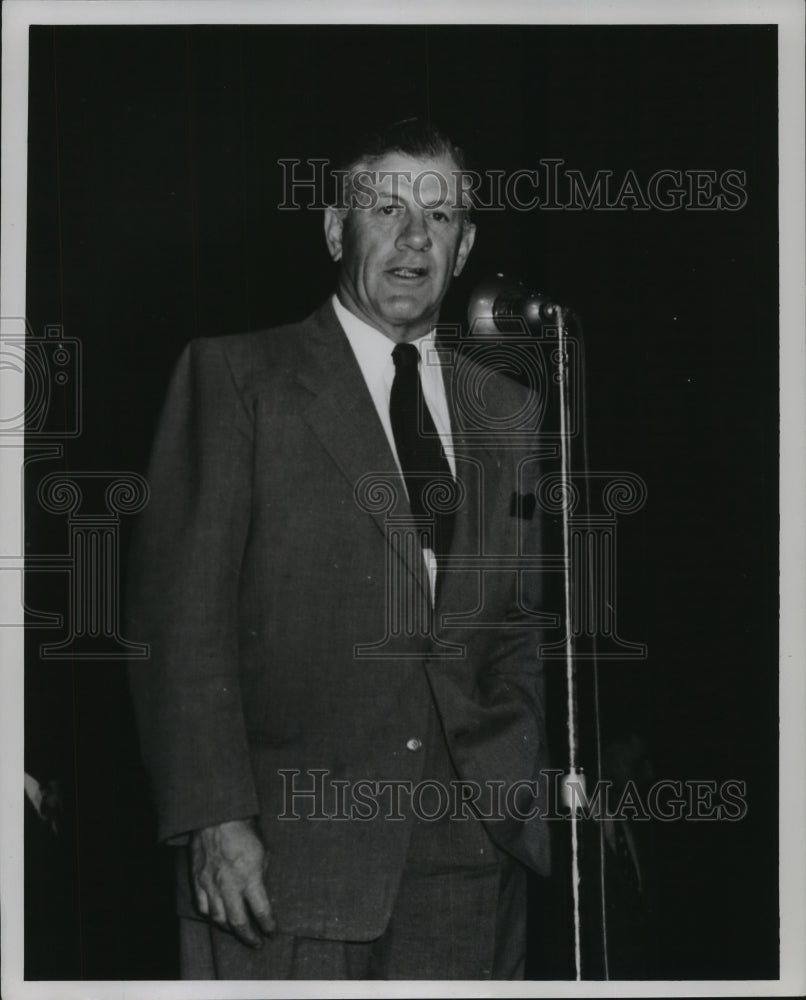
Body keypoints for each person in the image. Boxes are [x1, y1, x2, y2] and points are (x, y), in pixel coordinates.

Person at [126, 117, 551, 980]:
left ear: (464, 246)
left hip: (471, 860)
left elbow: (520, 623)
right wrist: (214, 819)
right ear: (334, 230)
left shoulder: (509, 409)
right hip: (285, 860)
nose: (411, 237)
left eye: (438, 216)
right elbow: (181, 624)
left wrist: (521, 780)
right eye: (385, 208)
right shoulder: (236, 377)